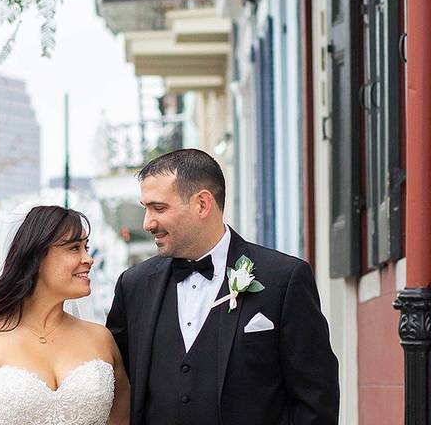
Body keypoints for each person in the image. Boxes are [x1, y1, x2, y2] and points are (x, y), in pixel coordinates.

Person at [106, 149, 339, 424]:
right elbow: (117, 386)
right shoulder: (133, 286)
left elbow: (316, 399)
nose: (147, 223)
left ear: (203, 204)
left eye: (159, 208)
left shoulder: (283, 279)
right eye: (145, 208)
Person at [0, 205, 131, 425]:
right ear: (37, 257)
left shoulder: (102, 340)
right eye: (74, 248)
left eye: (86, 248)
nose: (88, 259)